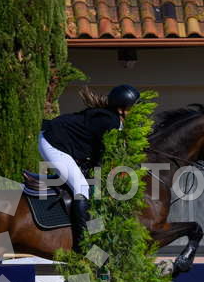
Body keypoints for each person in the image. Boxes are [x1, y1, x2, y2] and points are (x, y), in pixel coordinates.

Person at [39, 84, 140, 250]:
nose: (136, 111)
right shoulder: (111, 122)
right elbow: (102, 156)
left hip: (65, 143)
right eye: (132, 108)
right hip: (53, 143)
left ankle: (94, 235)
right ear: (121, 109)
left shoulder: (112, 119)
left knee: (92, 186)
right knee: (82, 188)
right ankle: (83, 245)